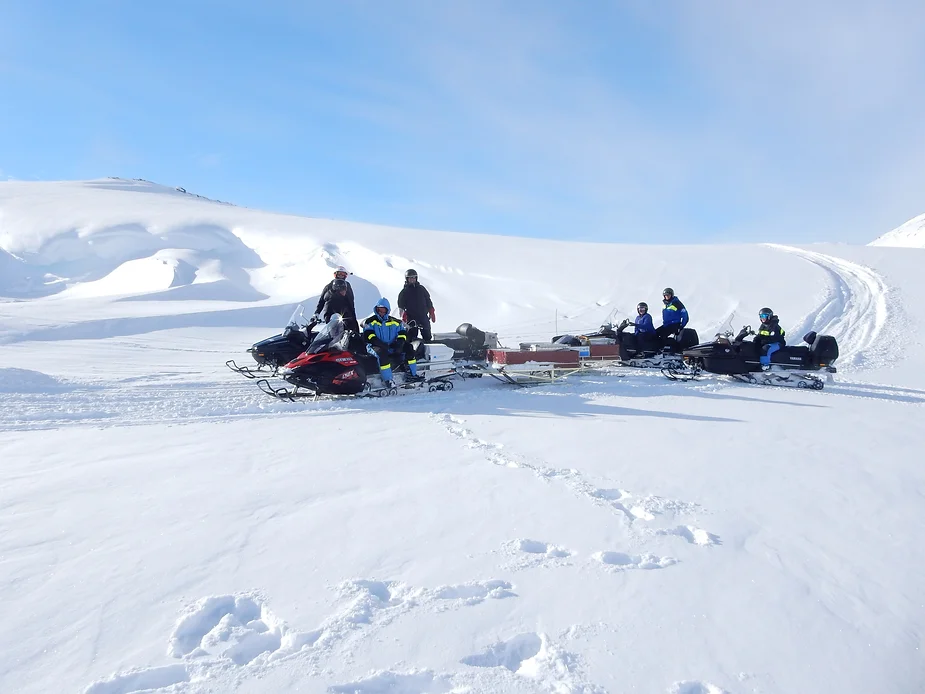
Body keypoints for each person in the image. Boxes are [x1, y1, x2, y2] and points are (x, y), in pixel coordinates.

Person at [362, 297, 419, 387]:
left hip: (390, 345)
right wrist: (380, 344)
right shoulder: (370, 321)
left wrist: (400, 343)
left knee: (409, 347)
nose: (381, 312)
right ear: (376, 310)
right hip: (374, 346)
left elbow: (402, 332)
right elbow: (368, 335)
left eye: (383, 310)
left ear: (387, 310)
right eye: (379, 310)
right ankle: (388, 380)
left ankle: (412, 374)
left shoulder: (395, 322)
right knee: (382, 353)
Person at [397, 269, 436, 342]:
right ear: (407, 279)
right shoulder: (404, 292)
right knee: (411, 339)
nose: (412, 279)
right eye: (410, 278)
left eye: (414, 277)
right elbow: (400, 305)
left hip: (423, 317)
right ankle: (413, 352)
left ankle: (428, 352)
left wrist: (431, 310)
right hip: (411, 318)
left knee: (427, 337)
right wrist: (403, 315)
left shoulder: (421, 289)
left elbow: (428, 300)